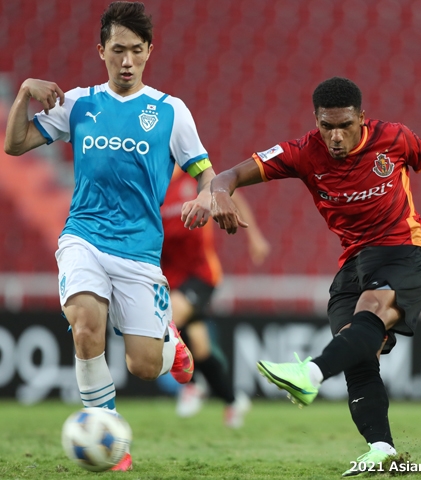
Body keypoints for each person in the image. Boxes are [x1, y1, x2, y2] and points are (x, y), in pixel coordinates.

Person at [208, 76, 421, 476]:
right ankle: (382, 449)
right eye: (327, 126)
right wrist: (220, 193)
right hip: (355, 263)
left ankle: (310, 374)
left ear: (362, 118)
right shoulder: (303, 152)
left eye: (345, 125)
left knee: (370, 310)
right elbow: (227, 175)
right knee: (356, 352)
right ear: (316, 121)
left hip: (405, 250)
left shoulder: (394, 138)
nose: (336, 137)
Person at [4, 2, 215, 471]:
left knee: (144, 365)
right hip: (83, 237)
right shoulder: (78, 104)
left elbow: (205, 171)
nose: (127, 61)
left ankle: (169, 343)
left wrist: (206, 196)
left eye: (136, 50)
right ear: (101, 51)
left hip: (139, 251)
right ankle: (108, 434)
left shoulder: (170, 111)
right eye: (117, 50)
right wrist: (23, 93)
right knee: (85, 326)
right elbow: (14, 145)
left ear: (149, 51)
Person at [160, 166, 270, 426]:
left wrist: (254, 237)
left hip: (201, 274)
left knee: (170, 316)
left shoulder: (196, 177)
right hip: (169, 276)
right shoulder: (154, 181)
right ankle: (233, 400)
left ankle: (193, 384)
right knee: (200, 349)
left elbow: (230, 193)